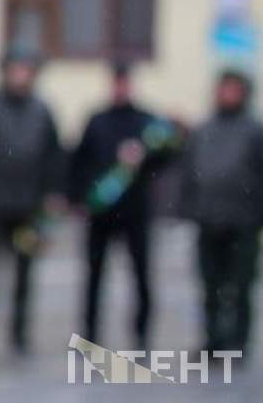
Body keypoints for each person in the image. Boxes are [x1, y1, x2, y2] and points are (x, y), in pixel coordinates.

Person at [0, 47, 64, 355]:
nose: (20, 75)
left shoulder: (42, 111)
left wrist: (52, 195)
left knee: (24, 274)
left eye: (26, 70)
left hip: (28, 208)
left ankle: (19, 335)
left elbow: (52, 157)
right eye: (16, 69)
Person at [68, 61, 176, 345]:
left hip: (135, 211)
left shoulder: (146, 121)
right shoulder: (97, 120)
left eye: (124, 83)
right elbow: (80, 161)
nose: (120, 88)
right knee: (94, 275)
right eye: (117, 83)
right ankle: (90, 334)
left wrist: (143, 158)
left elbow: (167, 158)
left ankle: (141, 335)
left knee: (140, 273)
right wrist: (78, 198)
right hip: (101, 212)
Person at [179, 69, 263, 363]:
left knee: (240, 285)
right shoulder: (204, 130)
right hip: (208, 217)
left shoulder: (254, 131)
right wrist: (187, 207)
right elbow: (189, 171)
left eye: (233, 89)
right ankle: (213, 340)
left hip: (243, 220)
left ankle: (239, 342)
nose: (227, 94)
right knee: (209, 284)